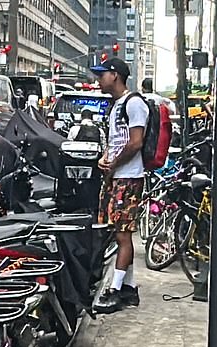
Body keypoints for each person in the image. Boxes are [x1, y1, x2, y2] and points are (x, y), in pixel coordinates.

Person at [91, 58, 148, 313]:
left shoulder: (134, 104)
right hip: (117, 176)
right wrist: (106, 158)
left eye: (102, 75)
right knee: (118, 233)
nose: (98, 80)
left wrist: (113, 163)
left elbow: (136, 142)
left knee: (123, 235)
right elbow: (117, 140)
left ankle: (114, 291)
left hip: (128, 178)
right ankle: (129, 288)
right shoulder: (117, 106)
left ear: (115, 75)